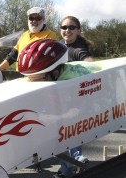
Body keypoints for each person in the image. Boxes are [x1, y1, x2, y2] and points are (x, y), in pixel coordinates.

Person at [18, 39, 101, 178]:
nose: (34, 83)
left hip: (82, 100)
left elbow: (88, 96)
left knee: (70, 127)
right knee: (57, 132)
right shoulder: (49, 78)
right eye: (30, 79)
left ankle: (73, 160)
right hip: (61, 100)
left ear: (55, 73)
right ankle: (66, 167)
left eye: (38, 80)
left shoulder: (73, 78)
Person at [57, 16, 95, 177]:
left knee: (70, 132)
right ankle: (66, 168)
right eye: (64, 27)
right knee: (61, 135)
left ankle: (72, 162)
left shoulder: (78, 49)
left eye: (72, 27)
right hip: (58, 98)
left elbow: (90, 63)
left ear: (78, 30)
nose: (67, 30)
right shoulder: (58, 47)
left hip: (75, 100)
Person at [0, 6, 58, 71]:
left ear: (44, 20)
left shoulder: (50, 35)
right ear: (28, 20)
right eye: (31, 18)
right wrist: (0, 67)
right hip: (20, 75)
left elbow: (49, 59)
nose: (34, 21)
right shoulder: (24, 35)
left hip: (38, 77)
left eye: (38, 18)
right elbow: (13, 55)